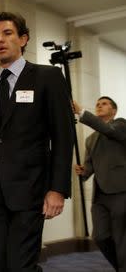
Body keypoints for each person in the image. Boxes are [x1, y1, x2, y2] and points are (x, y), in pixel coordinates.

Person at [0, 11, 74, 271]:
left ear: (23, 39)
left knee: (20, 265)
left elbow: (63, 136)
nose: (0, 40)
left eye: (7, 33)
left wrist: (57, 188)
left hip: (29, 191)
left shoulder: (47, 77)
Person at [73, 97, 126, 272]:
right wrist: (83, 171)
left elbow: (108, 130)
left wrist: (81, 112)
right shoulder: (90, 139)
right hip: (100, 196)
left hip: (121, 192)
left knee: (121, 239)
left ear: (114, 110)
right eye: (97, 104)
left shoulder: (120, 125)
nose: (99, 106)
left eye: (104, 103)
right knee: (100, 236)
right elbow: (89, 167)